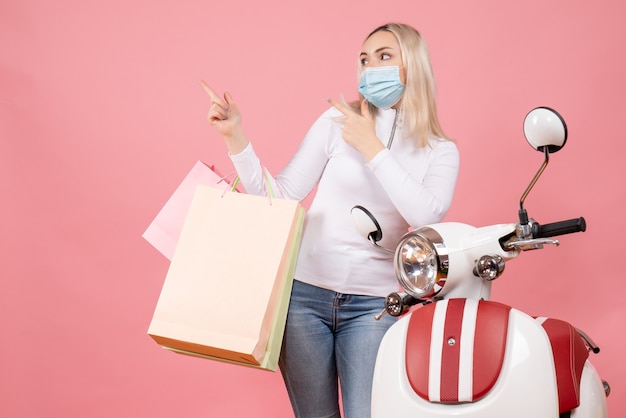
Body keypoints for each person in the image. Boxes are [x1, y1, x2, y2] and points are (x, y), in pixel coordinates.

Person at [202, 22, 459, 418]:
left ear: (413, 66)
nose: (370, 66)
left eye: (384, 56)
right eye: (364, 59)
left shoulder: (440, 150)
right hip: (303, 297)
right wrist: (235, 136)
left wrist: (372, 147)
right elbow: (280, 196)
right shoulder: (335, 123)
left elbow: (425, 214)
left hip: (374, 305)